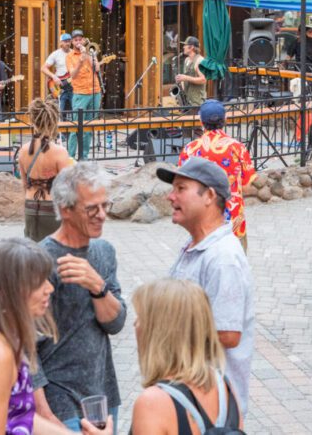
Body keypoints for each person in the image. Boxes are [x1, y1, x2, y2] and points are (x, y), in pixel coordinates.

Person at [0, 238, 111, 435]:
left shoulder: (4, 334)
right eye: (38, 282)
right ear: (5, 292)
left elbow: (17, 415)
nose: (49, 289)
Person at [35, 163, 127, 431]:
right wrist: (46, 415)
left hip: (104, 399)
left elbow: (115, 323)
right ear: (65, 209)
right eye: (91, 209)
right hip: (60, 404)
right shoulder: (41, 261)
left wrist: (97, 286)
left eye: (104, 206)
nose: (102, 215)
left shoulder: (104, 252)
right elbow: (26, 348)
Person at [161, 158, 254, 415]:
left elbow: (228, 333)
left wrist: (160, 328)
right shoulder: (196, 247)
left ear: (209, 196)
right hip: (189, 397)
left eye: (181, 189)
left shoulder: (223, 257)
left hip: (210, 408)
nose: (170, 197)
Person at [128, 278, 243, 434]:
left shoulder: (153, 403)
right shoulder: (223, 385)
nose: (135, 324)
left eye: (141, 317)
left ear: (158, 332)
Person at [178, 99, 256, 252]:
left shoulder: (190, 149)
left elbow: (182, 186)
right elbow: (247, 186)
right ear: (225, 120)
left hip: (201, 221)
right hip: (233, 221)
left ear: (201, 120)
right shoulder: (237, 148)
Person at [18, 99, 75, 241]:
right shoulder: (60, 152)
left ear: (34, 121)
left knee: (34, 255)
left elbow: (24, 185)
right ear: (53, 122)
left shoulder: (23, 151)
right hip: (52, 208)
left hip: (30, 206)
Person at [66, 30, 102, 159]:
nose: (78, 42)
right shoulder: (69, 56)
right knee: (76, 126)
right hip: (80, 93)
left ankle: (84, 157)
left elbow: (97, 69)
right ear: (72, 42)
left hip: (94, 91)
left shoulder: (90, 52)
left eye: (80, 39)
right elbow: (72, 75)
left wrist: (88, 56)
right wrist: (81, 61)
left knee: (88, 127)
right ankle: (70, 157)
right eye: (75, 40)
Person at [43, 33, 74, 115]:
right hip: (59, 87)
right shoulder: (55, 54)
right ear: (61, 43)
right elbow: (43, 68)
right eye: (65, 41)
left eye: (69, 41)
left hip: (72, 87)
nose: (68, 43)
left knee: (74, 112)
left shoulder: (74, 54)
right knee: (59, 112)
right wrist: (54, 77)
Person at [175, 36, 207, 107]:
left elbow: (203, 80)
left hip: (197, 102)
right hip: (187, 101)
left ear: (191, 47)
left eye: (185, 45)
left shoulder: (200, 61)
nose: (183, 47)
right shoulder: (187, 60)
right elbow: (185, 78)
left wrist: (186, 78)